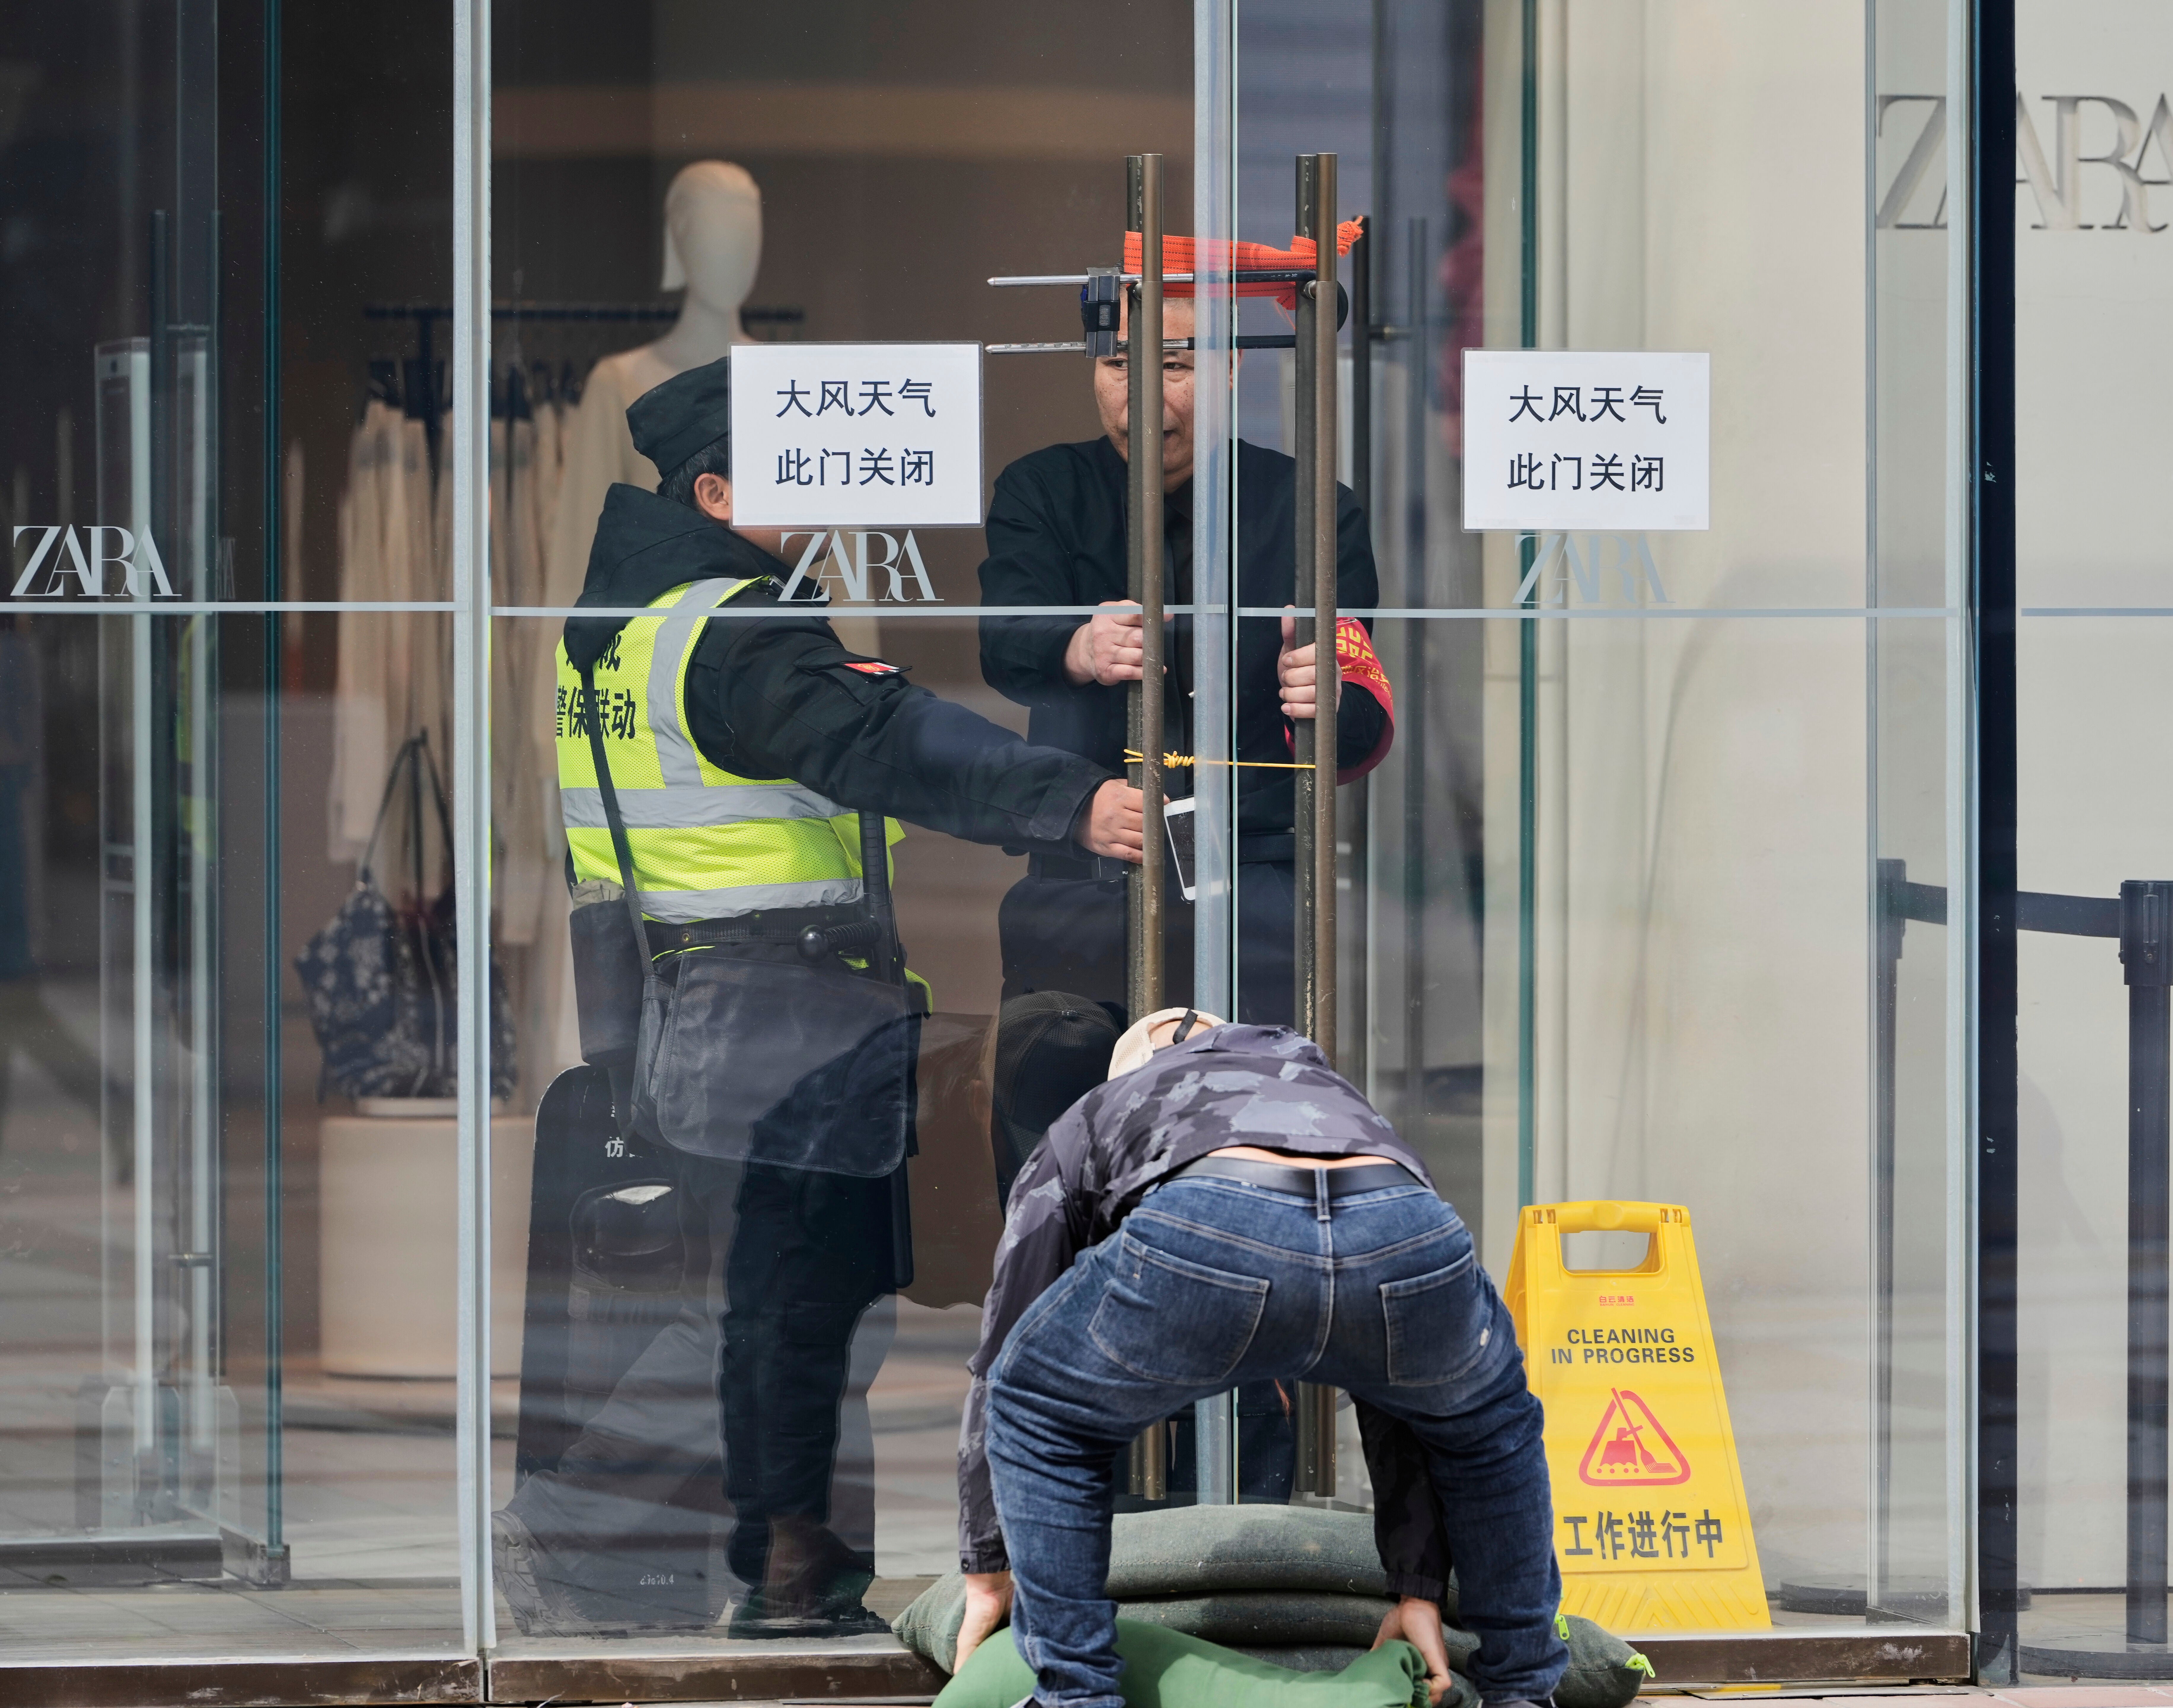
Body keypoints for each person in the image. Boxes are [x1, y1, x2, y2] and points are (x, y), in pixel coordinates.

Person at [496, 357, 1145, 1641]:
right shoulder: (730, 629)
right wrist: (1067, 800)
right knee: (778, 1317)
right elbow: (878, 738)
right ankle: (587, 1537)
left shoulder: (624, 626)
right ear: (720, 487)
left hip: (700, 1007)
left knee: (789, 1312)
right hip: (778, 1014)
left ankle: (799, 1583)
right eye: (798, 461)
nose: (829, 482)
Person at [951, 1010, 1570, 1708]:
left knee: (1035, 1404)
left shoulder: (1102, 1106)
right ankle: (1525, 1690)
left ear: (1137, 1067)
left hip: (1213, 1219)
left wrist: (988, 1570)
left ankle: (1076, 1693)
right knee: (1489, 1430)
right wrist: (1416, 1587)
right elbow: (1407, 1400)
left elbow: (1008, 1339)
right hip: (1407, 1225)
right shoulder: (1335, 1097)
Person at [977, 290, 1396, 1025]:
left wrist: (1326, 698)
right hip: (1084, 873)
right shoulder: (1041, 490)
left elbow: (1360, 724)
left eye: (1171, 365)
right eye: (1115, 364)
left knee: (1250, 1114)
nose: (1137, 393)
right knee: (1059, 1108)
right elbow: (1003, 643)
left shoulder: (1311, 507)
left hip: (1253, 880)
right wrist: (1077, 646)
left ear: (1230, 367)